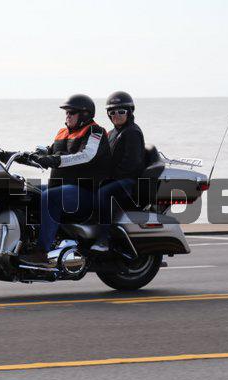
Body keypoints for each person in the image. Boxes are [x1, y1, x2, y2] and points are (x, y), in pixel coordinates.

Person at [20, 94, 110, 264]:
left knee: (50, 196)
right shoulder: (63, 132)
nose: (67, 116)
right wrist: (19, 156)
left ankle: (41, 252)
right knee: (27, 191)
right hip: (64, 188)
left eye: (71, 112)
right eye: (66, 112)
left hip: (86, 192)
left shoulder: (95, 131)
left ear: (84, 114)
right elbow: (49, 152)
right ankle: (25, 244)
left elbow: (86, 155)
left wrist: (55, 160)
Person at [92, 91, 145, 252]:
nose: (116, 115)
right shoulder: (112, 133)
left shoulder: (132, 132)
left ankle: (104, 238)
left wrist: (107, 178)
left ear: (129, 112)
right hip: (116, 178)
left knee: (103, 193)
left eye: (121, 111)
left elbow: (131, 165)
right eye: (112, 112)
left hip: (129, 181)